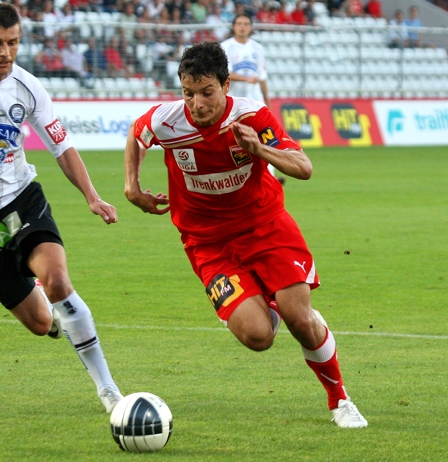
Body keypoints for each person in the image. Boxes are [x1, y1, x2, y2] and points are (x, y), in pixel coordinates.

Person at [123, 41, 368, 429]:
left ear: (226, 84)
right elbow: (137, 135)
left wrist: (260, 150)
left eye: (207, 93)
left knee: (300, 320)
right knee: (258, 337)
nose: (197, 104)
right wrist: (132, 189)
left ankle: (340, 400)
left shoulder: (252, 117)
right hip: (207, 244)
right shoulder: (167, 120)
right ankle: (264, 302)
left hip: (265, 227)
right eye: (189, 93)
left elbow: (303, 167)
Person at [0, 2, 123, 414]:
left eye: (13, 43)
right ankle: (48, 309)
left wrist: (92, 196)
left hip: (20, 198)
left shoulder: (29, 86)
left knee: (57, 280)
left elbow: (61, 146)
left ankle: (108, 390)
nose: (5, 53)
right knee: (39, 323)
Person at [221, 14, 282, 183]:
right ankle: (239, 177)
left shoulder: (257, 48)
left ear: (251, 27)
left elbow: (262, 77)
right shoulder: (225, 47)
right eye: (239, 23)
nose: (242, 27)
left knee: (265, 138)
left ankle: (271, 176)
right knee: (234, 142)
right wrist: (246, 78)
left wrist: (267, 101)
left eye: (246, 24)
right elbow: (224, 73)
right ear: (234, 26)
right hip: (233, 103)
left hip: (255, 103)